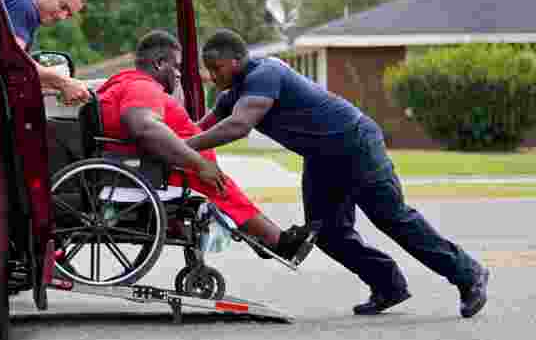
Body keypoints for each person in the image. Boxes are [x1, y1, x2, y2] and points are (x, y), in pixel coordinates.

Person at [190, 28, 490, 317]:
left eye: (216, 68)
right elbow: (198, 129)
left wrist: (184, 146)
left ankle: (469, 274)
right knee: (327, 232)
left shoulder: (265, 73)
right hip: (321, 158)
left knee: (392, 217)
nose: (213, 77)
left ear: (235, 60)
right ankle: (388, 285)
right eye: (209, 70)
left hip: (355, 143)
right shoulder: (232, 95)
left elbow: (238, 126)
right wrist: (168, 144)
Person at [97, 30, 316, 262]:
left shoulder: (130, 85)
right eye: (177, 66)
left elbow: (169, 118)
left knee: (220, 185)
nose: (179, 72)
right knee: (220, 185)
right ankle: (276, 241)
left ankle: (265, 236)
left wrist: (175, 88)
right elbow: (144, 127)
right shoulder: (141, 87)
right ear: (160, 63)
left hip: (157, 164)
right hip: (160, 169)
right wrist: (198, 162)